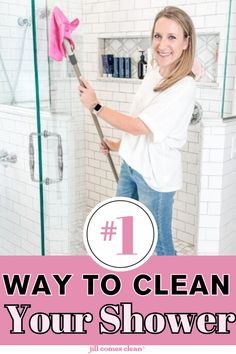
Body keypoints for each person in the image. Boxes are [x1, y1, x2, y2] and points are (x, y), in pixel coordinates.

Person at [79, 6, 196, 256]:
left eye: (172, 37)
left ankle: (176, 292)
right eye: (158, 35)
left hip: (155, 178)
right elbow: (146, 128)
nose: (162, 44)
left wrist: (96, 105)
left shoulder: (184, 86)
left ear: (186, 42)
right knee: (127, 228)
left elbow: (141, 126)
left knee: (159, 245)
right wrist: (119, 145)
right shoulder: (155, 73)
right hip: (131, 166)